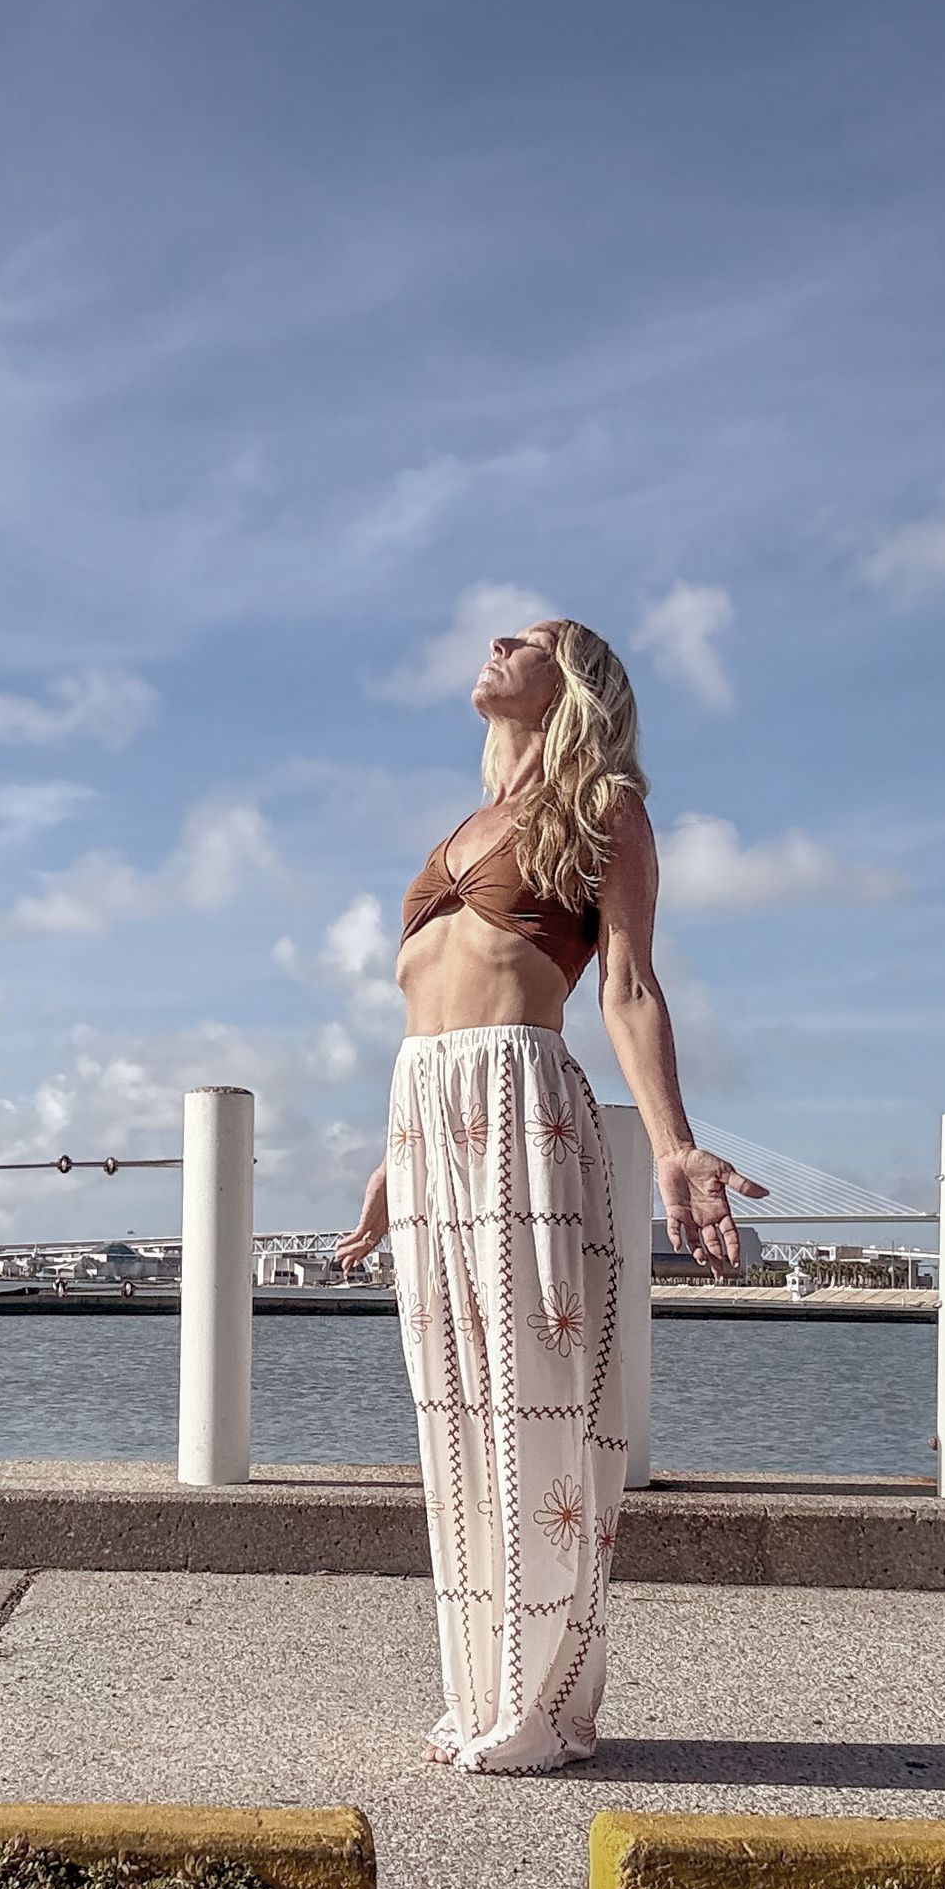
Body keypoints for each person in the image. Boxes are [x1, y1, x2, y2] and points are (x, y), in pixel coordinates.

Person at [335, 617, 765, 1775]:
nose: (495, 641)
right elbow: (425, 1005)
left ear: (573, 682)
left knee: (532, 1406)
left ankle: (543, 1701)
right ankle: (481, 1686)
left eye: (529, 638)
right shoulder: (464, 821)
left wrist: (676, 1143)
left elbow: (626, 983)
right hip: (429, 1114)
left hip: (522, 1103)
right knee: (456, 1417)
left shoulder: (606, 806)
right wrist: (393, 1163)